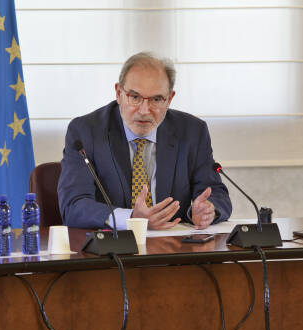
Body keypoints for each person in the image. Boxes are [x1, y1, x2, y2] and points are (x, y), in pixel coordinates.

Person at [58, 52, 231, 230]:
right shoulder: (86, 132)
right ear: (119, 93)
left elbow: (217, 194)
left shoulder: (192, 131)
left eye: (156, 99)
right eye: (135, 97)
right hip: (113, 243)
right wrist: (132, 218)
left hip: (173, 242)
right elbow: (73, 206)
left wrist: (208, 210)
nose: (144, 111)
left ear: (169, 99)